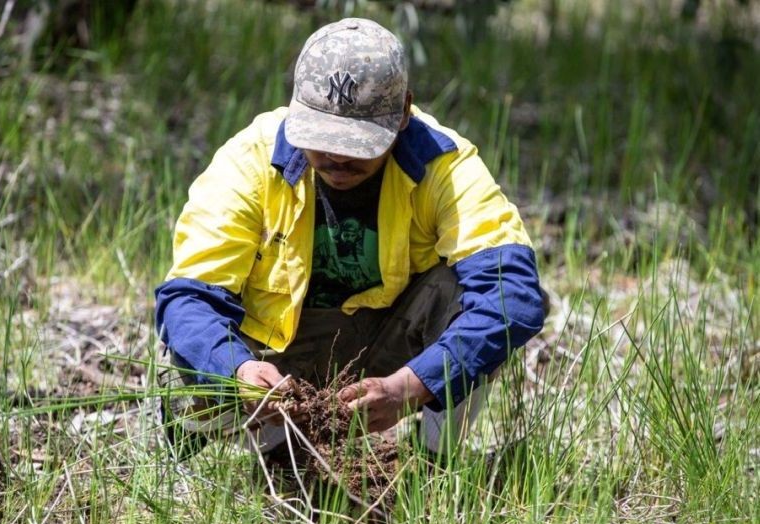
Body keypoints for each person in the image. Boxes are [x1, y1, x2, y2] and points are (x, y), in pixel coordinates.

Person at [154, 17, 546, 460]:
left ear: (403, 115)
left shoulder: (444, 166)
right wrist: (238, 369)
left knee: (462, 294)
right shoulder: (250, 161)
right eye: (321, 137)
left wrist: (412, 386)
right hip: (270, 361)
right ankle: (232, 460)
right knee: (191, 354)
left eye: (358, 142)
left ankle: (434, 463)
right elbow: (187, 298)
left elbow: (512, 295)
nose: (337, 156)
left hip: (386, 352)